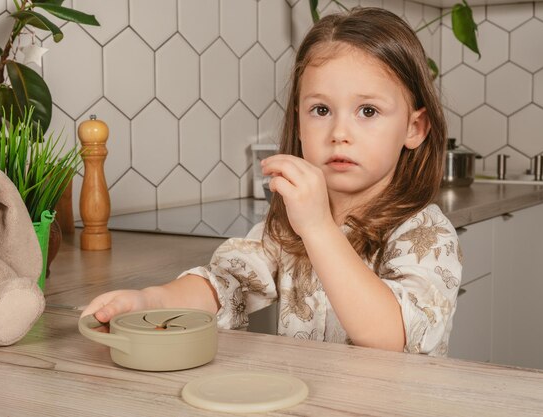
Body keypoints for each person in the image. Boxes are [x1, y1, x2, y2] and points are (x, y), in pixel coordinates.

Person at [82, 7, 462, 356]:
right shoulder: (288, 225)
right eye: (321, 110)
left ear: (414, 128)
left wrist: (317, 227)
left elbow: (391, 336)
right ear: (298, 122)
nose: (339, 132)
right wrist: (151, 301)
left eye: (368, 110)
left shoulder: (426, 234)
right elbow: (225, 285)